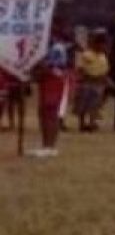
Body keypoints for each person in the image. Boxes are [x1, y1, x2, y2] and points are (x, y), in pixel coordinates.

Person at [30, 22, 73, 157]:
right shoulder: (45, 46)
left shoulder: (56, 47)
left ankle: (50, 146)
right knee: (43, 112)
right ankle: (45, 145)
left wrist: (38, 68)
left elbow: (52, 66)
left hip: (54, 80)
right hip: (46, 80)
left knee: (50, 113)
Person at [76, 29, 110, 133]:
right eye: (101, 45)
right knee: (83, 104)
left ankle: (91, 123)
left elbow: (105, 71)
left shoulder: (103, 57)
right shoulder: (86, 55)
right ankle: (81, 123)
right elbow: (81, 69)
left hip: (98, 84)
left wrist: (106, 80)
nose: (103, 47)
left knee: (95, 105)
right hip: (87, 83)